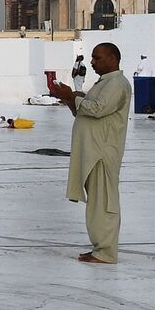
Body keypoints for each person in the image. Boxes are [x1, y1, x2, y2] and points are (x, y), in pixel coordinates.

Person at [51, 42, 132, 264]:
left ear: (113, 59)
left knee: (104, 202)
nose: (93, 63)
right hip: (93, 151)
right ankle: (100, 248)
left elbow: (97, 109)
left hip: (103, 152)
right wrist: (68, 97)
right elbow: (83, 111)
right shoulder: (105, 83)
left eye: (97, 58)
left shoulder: (117, 83)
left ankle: (106, 252)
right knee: (97, 202)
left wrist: (73, 96)